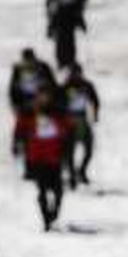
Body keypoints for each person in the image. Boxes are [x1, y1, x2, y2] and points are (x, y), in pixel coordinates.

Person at [13, 91, 75, 230]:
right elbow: (20, 128)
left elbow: (69, 127)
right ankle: (46, 219)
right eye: (40, 97)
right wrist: (16, 143)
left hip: (55, 159)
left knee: (58, 191)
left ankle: (54, 213)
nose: (43, 100)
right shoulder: (29, 113)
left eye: (45, 97)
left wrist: (66, 147)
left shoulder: (58, 113)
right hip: (37, 159)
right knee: (42, 191)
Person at [60, 64, 100, 184]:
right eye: (73, 74)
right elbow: (58, 104)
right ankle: (72, 173)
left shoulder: (86, 85)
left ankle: (82, 171)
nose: (76, 76)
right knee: (69, 150)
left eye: (77, 74)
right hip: (69, 120)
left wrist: (96, 114)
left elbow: (95, 100)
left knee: (89, 148)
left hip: (82, 118)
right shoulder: (65, 87)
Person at [46, 0, 89, 69]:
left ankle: (69, 60)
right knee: (61, 40)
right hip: (61, 16)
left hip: (69, 16)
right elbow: (50, 0)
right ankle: (62, 61)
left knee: (69, 40)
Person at [8, 48, 57, 117]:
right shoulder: (18, 69)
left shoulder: (43, 67)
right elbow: (12, 88)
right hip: (24, 100)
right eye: (27, 61)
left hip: (42, 99)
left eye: (31, 60)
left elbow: (52, 84)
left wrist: (50, 99)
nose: (29, 63)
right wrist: (15, 104)